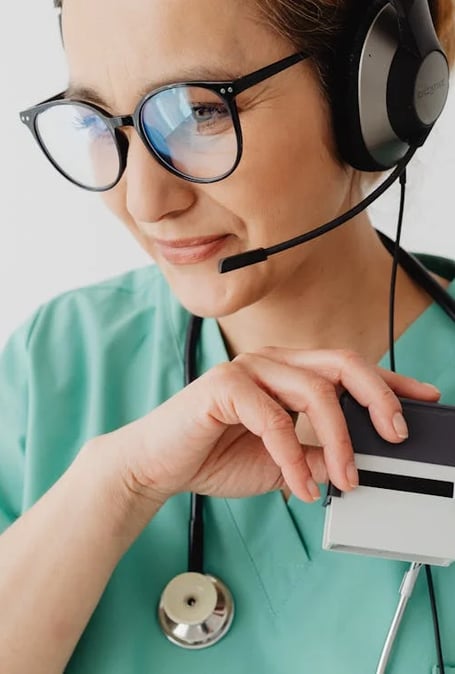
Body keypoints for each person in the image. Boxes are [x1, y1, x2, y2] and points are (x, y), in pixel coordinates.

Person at [1, 0, 455, 672]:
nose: (143, 199)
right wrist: (115, 485)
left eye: (199, 111)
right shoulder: (60, 359)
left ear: (381, 87)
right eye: (99, 121)